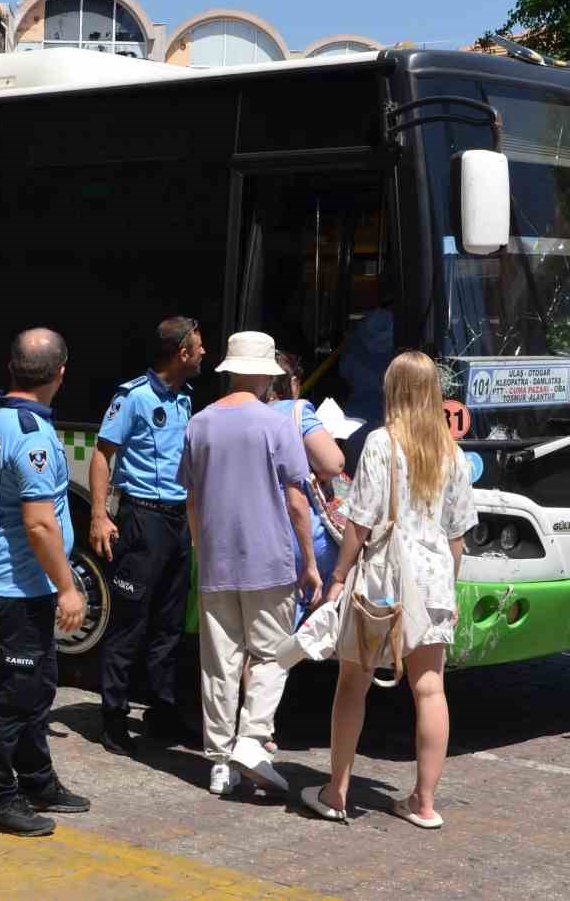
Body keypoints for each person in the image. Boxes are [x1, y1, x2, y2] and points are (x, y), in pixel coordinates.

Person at [299, 351, 475, 829]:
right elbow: (457, 535)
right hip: (434, 579)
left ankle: (336, 791)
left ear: (393, 390)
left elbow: (360, 523)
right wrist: (450, 591)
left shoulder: (380, 444)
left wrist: (337, 579)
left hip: (384, 581)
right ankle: (424, 803)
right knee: (430, 688)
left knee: (353, 682)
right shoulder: (452, 452)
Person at [179, 330, 322, 796]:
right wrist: (310, 561)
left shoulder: (199, 423)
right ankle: (253, 738)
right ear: (266, 375)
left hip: (217, 560)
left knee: (219, 663)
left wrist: (202, 548)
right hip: (269, 557)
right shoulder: (277, 424)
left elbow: (192, 498)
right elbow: (297, 500)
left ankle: (220, 761)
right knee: (274, 655)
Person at [0, 327, 90, 837]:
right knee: (14, 694)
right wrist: (69, 586)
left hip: (14, 582)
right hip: (17, 587)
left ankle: (37, 779)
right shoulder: (32, 435)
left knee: (37, 688)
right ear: (60, 373)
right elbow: (40, 524)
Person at [89, 316, 207, 756]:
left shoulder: (186, 399)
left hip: (177, 521)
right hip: (143, 519)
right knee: (130, 622)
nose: (203, 354)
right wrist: (99, 515)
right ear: (181, 353)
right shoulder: (133, 397)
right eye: (198, 347)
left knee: (170, 624)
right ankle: (113, 717)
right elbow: (103, 456)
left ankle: (163, 711)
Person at [266, 351, 346, 628]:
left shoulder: (223, 413)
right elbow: (332, 463)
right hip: (296, 544)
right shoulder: (295, 410)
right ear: (293, 383)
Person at [338, 305, 394, 424]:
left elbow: (344, 373)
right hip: (386, 414)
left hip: (357, 413)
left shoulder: (354, 349)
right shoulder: (396, 357)